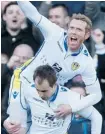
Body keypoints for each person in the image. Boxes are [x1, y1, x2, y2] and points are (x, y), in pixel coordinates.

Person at [4, 1, 102, 133]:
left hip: (50, 92)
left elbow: (96, 95)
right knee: (17, 128)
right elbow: (32, 13)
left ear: (87, 35)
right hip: (24, 82)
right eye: (71, 28)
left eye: (79, 29)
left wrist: (72, 107)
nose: (73, 32)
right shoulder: (54, 32)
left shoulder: (86, 62)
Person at [7, 65, 102, 134]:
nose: (40, 94)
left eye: (44, 91)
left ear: (54, 85)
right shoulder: (29, 91)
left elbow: (97, 117)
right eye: (37, 90)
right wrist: (7, 122)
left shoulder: (70, 97)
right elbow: (19, 111)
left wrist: (72, 108)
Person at [1, 44, 34, 134]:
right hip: (4, 123)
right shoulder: (5, 74)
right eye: (17, 57)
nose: (20, 61)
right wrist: (7, 67)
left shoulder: (36, 79)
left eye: (25, 58)